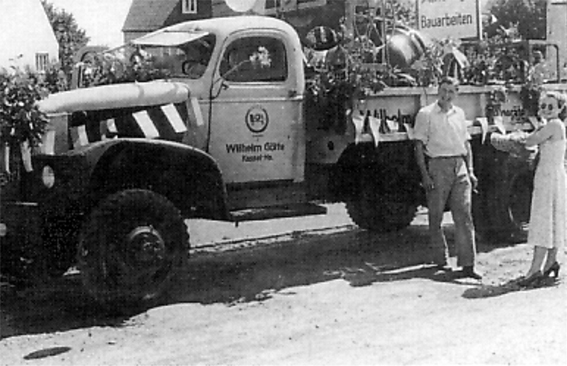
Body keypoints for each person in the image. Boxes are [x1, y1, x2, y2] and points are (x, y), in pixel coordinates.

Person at [413, 76, 481, 279]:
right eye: (443, 90)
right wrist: (425, 175)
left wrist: (470, 169)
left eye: (451, 91)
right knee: (436, 216)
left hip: (459, 166)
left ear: (456, 93)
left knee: (464, 215)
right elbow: (418, 146)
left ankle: (468, 265)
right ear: (437, 90)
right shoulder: (426, 114)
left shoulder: (459, 113)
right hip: (437, 165)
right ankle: (440, 260)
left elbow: (467, 144)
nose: (446, 95)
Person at [518, 91, 566, 286]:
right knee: (553, 220)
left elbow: (530, 141)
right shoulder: (552, 125)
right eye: (543, 106)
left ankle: (535, 270)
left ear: (560, 109)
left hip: (549, 177)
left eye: (550, 106)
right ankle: (550, 263)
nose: (546, 110)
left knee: (543, 221)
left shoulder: (554, 125)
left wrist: (518, 137)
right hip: (552, 175)